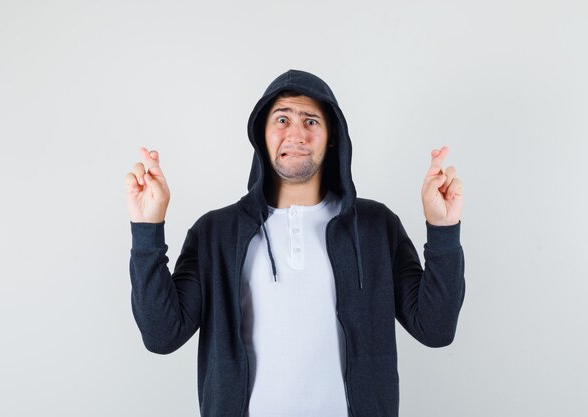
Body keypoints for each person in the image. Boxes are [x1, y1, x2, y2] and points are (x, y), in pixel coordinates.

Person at [124, 69, 465, 417]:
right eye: (282, 119)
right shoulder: (216, 233)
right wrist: (147, 227)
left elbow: (435, 329)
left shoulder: (377, 227)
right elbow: (161, 335)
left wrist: (443, 228)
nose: (296, 134)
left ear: (332, 137)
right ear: (263, 133)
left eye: (312, 121)